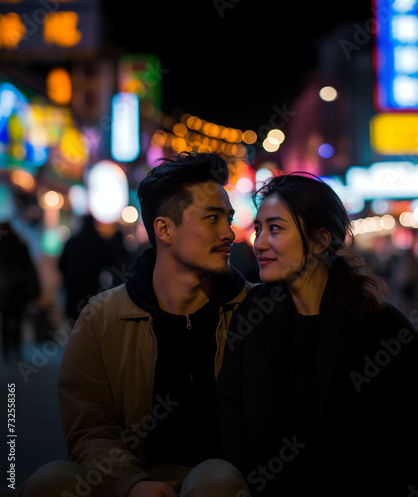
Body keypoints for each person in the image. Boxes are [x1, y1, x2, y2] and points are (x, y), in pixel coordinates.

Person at [216, 173, 418, 496]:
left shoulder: (383, 329)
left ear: (319, 240)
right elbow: (232, 423)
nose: (258, 242)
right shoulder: (251, 321)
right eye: (258, 229)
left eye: (275, 228)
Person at [18, 152, 254, 497]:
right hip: (128, 478)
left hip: (221, 477)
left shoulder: (253, 309)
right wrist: (131, 484)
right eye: (212, 218)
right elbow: (90, 428)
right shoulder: (103, 317)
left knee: (215, 480)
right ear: (164, 229)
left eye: (228, 219)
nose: (229, 233)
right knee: (50, 481)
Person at [58, 214, 114, 322]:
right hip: (92, 290)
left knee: (75, 325)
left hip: (74, 289)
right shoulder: (99, 242)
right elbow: (110, 264)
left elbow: (61, 264)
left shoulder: (72, 242)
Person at [0, 221, 40, 362]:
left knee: (5, 320)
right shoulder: (21, 245)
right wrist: (35, 290)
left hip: (4, 290)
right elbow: (29, 269)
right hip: (18, 290)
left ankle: (6, 351)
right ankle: (16, 348)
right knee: (17, 319)